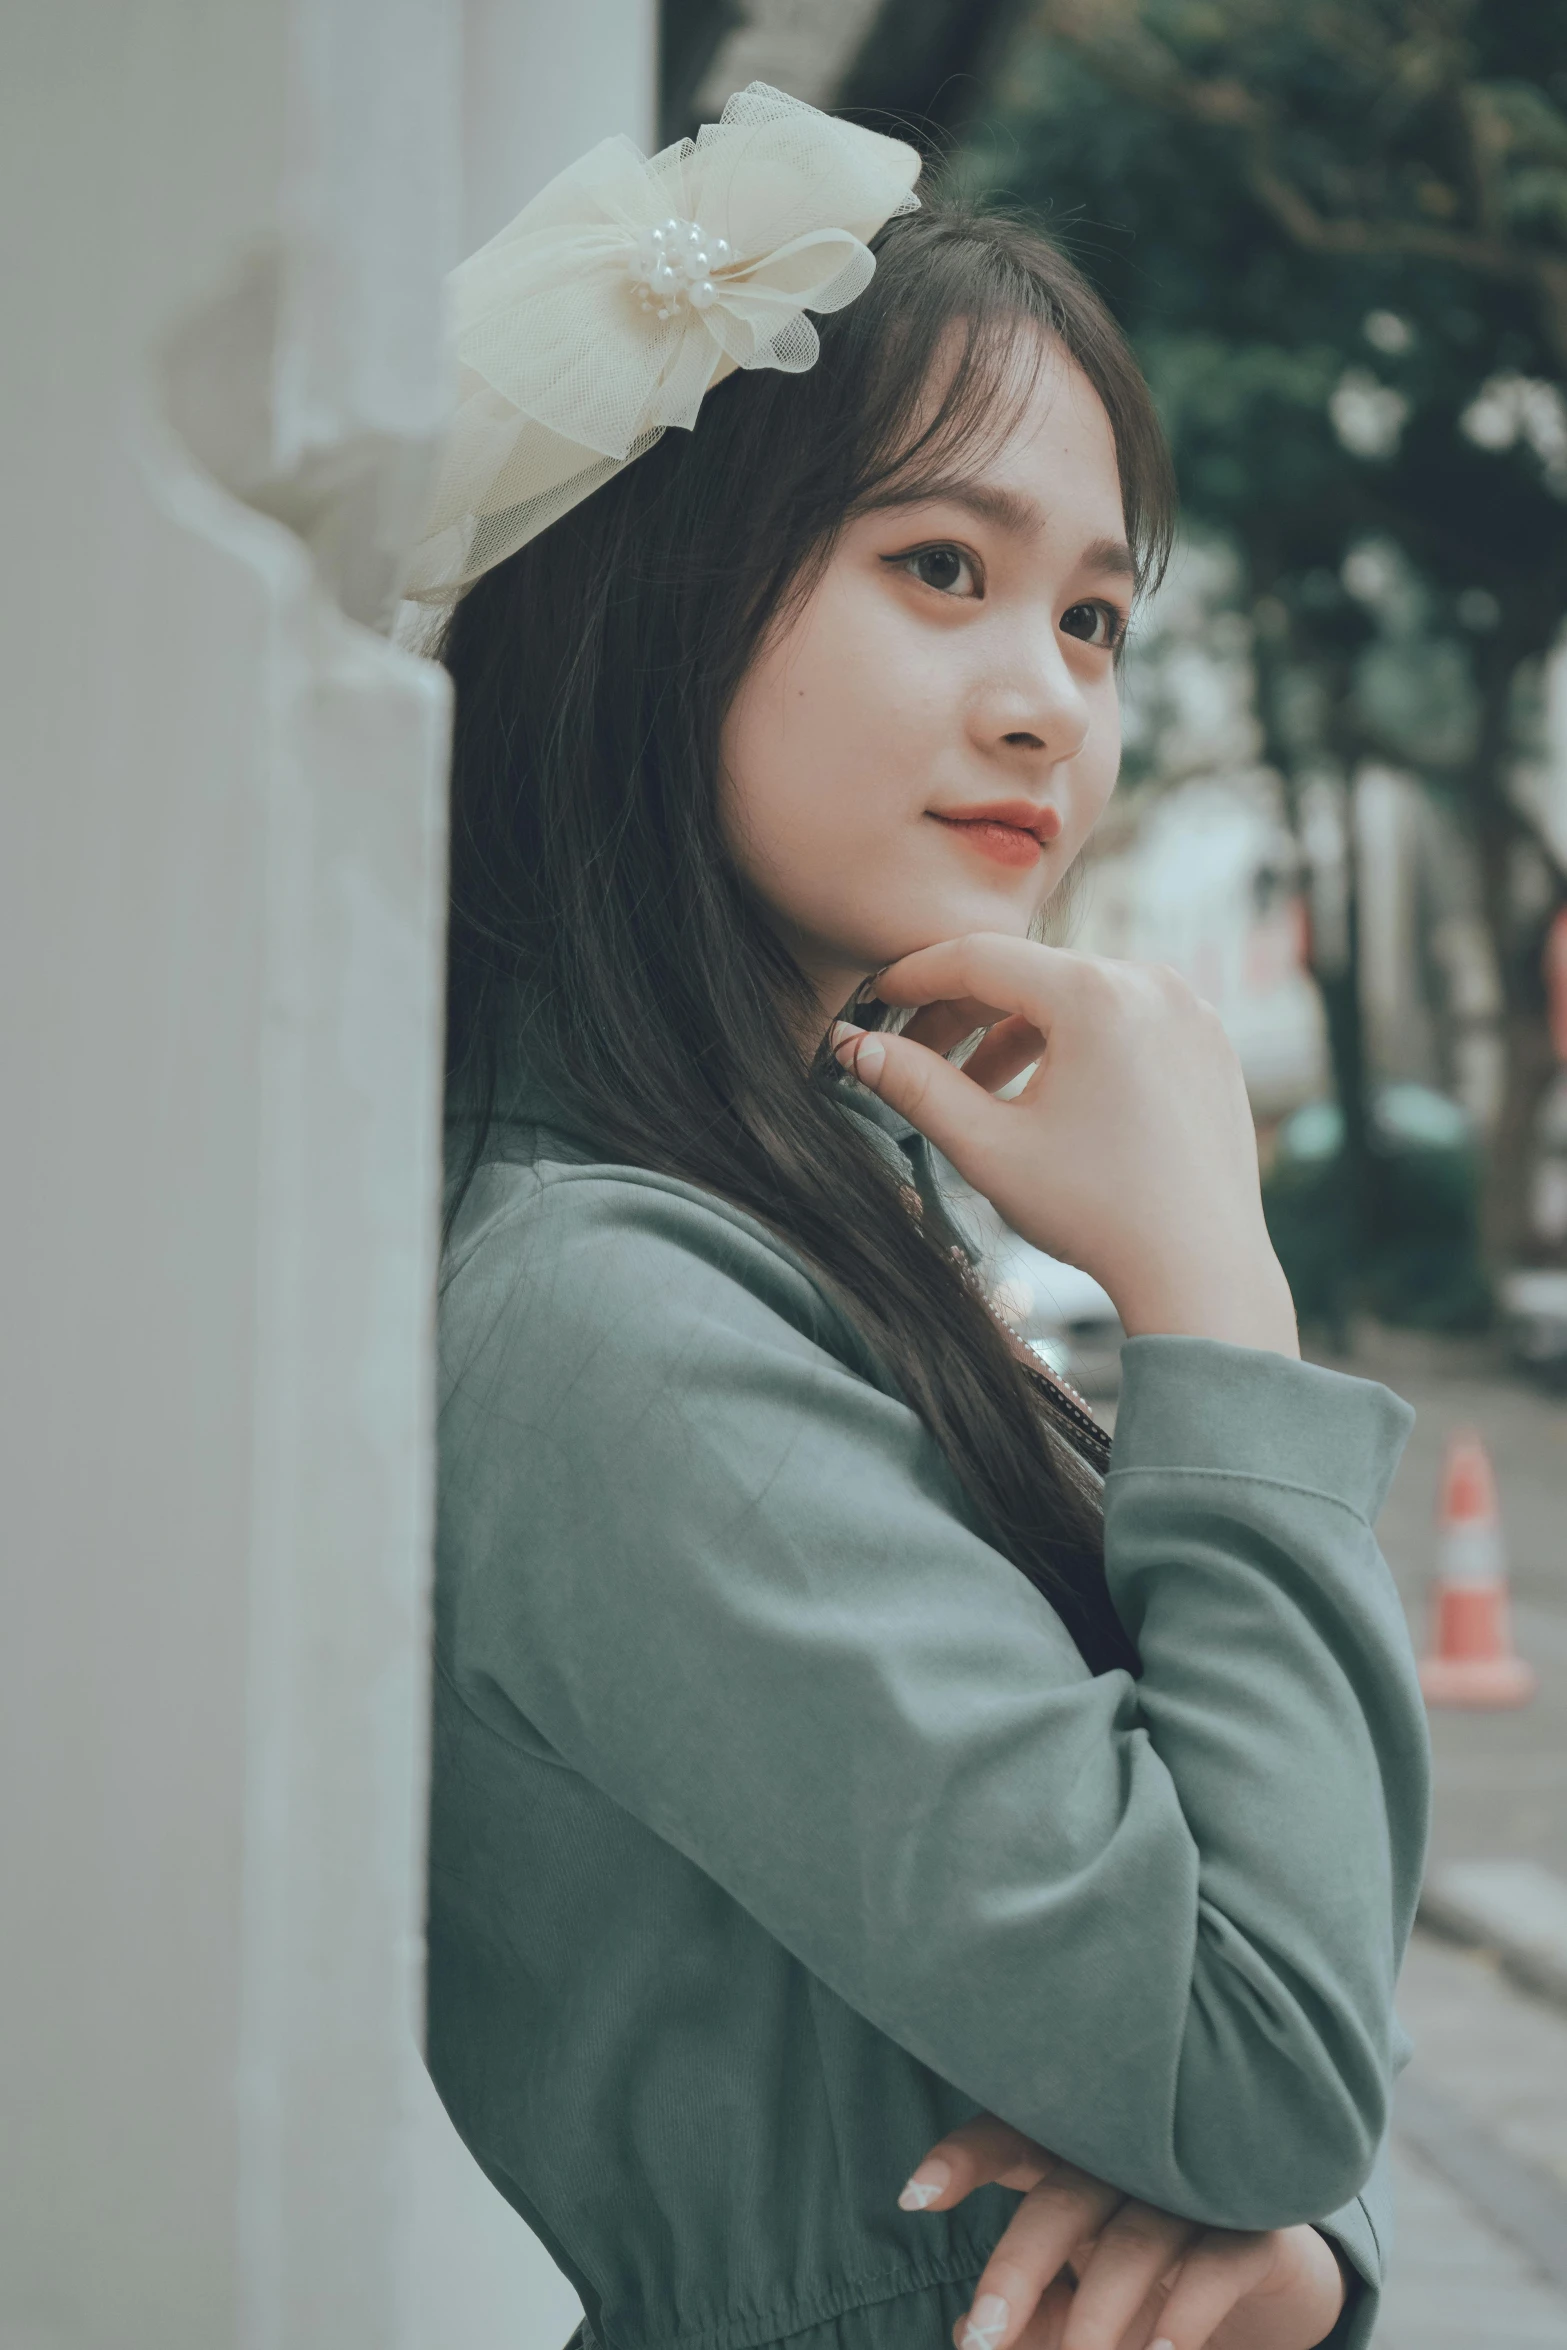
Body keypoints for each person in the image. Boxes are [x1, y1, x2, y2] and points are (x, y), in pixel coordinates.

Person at [415, 85, 1430, 2350]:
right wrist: (1212, 1290)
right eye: (941, 568)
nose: (1046, 700)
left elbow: (1254, 2073)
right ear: (654, 581)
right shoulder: (607, 1312)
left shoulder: (785, 1218)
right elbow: (1262, 2059)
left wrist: (1278, 2262)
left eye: (1091, 616)